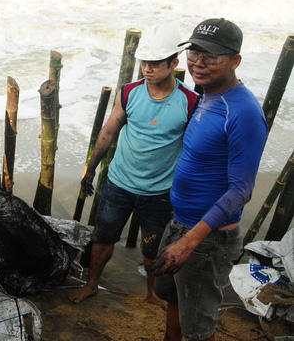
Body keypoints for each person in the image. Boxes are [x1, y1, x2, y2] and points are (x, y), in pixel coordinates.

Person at [151, 18, 268, 341]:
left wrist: (190, 242)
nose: (198, 63)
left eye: (211, 56)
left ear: (235, 61)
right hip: (181, 224)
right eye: (194, 53)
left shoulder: (242, 111)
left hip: (207, 239)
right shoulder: (208, 94)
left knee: (199, 329)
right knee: (172, 298)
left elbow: (241, 190)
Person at [68, 22, 199, 307]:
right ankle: (92, 284)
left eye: (154, 63)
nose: (147, 69)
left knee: (153, 247)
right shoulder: (128, 93)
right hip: (119, 184)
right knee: (103, 238)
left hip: (160, 191)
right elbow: (108, 131)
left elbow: (195, 150)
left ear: (173, 63)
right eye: (143, 63)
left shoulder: (190, 102)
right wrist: (90, 169)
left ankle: (152, 293)